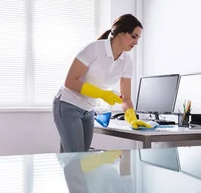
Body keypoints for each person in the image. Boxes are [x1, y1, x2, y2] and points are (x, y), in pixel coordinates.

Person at [53, 14, 151, 153]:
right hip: (68, 104)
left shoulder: (127, 62)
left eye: (138, 38)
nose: (136, 42)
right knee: (76, 158)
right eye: (134, 36)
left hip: (88, 110)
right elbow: (70, 82)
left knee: (78, 158)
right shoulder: (94, 49)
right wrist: (101, 94)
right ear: (121, 33)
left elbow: (126, 98)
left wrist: (132, 118)